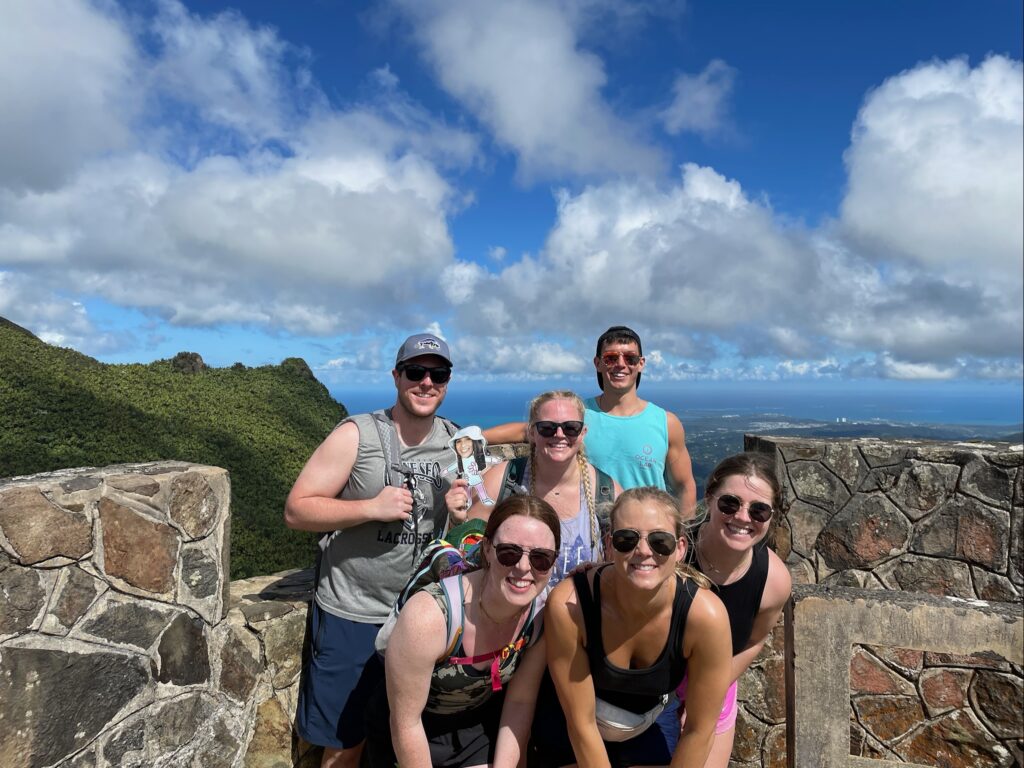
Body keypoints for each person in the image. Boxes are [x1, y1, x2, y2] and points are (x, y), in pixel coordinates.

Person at [284, 332, 466, 768]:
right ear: (396, 376)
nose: (426, 382)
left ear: (447, 381)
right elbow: (297, 510)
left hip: (419, 616)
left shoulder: (455, 442)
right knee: (344, 744)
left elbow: (474, 512)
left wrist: (462, 512)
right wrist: (370, 507)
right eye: (415, 372)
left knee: (400, 735)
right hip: (353, 611)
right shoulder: (358, 434)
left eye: (437, 374)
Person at [543, 487, 733, 768]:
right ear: (609, 544)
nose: (643, 550)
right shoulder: (572, 605)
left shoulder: (705, 617)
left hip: (647, 723)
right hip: (570, 725)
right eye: (626, 539)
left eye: (660, 541)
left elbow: (699, 730)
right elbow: (580, 723)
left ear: (680, 548)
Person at [364, 495, 560, 768]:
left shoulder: (541, 614)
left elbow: (519, 702)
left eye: (541, 558)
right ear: (488, 549)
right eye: (509, 553)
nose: (524, 568)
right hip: (409, 730)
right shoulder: (430, 616)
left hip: (475, 728)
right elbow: (406, 722)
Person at [482, 326, 696, 516]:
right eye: (611, 358)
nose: (620, 365)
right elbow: (527, 431)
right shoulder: (576, 416)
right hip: (590, 532)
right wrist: (468, 439)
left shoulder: (666, 423)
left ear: (640, 364)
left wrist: (683, 537)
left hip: (644, 535)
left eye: (629, 358)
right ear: (598, 363)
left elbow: (683, 486)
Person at [676, 453, 792, 768]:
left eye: (759, 510)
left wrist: (707, 695)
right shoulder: (672, 552)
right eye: (730, 503)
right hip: (649, 691)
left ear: (771, 516)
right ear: (709, 498)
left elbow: (754, 641)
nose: (743, 517)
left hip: (715, 697)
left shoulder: (773, 581)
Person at [455, 390, 623, 592]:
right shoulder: (504, 480)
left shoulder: (606, 491)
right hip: (515, 618)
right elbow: (467, 553)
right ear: (532, 433)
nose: (559, 435)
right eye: (547, 428)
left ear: (583, 433)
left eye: (571, 428)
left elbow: (622, 567)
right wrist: (457, 520)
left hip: (580, 618)